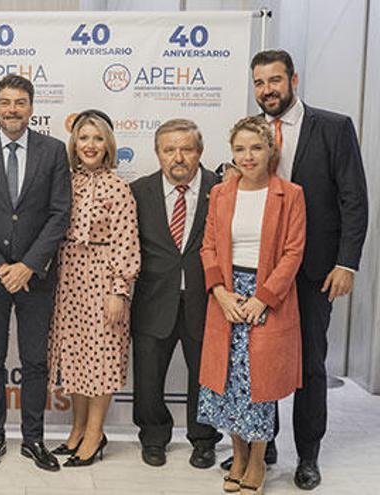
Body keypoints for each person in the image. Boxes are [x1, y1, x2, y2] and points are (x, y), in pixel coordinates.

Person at [217, 50, 369, 490]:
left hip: (315, 271)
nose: (267, 90)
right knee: (256, 364)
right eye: (260, 83)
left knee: (308, 365)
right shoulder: (252, 135)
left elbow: (353, 200)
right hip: (259, 274)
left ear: (293, 79)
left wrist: (346, 262)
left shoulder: (334, 127)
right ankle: (265, 445)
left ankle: (308, 456)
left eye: (275, 80)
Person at [0, 74, 71, 472]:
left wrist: (27, 266)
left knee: (36, 360)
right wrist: (1, 266)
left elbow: (59, 214)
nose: (12, 109)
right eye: (6, 102)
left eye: (20, 102)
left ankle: (34, 439)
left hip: (35, 277)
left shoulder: (53, 151)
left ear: (32, 107)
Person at [198, 116, 306, 494]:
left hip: (267, 297)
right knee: (227, 383)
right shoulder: (221, 193)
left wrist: (263, 298)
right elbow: (208, 246)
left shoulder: (290, 194)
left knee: (259, 386)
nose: (248, 156)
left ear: (270, 151)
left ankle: (257, 460)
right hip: (227, 296)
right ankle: (238, 455)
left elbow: (293, 253)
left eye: (255, 148)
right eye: (240, 149)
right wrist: (220, 293)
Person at [47, 110, 139, 467]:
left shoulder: (118, 186)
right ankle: (78, 428)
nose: (90, 145)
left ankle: (95, 433)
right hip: (69, 279)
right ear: (74, 143)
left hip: (103, 279)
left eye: (97, 138)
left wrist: (119, 290)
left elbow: (127, 242)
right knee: (75, 357)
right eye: (83, 138)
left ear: (108, 145)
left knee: (101, 358)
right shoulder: (65, 182)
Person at [129, 119, 222, 469]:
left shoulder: (222, 188)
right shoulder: (138, 191)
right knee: (149, 376)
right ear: (157, 153)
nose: (178, 157)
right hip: (153, 299)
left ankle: (203, 439)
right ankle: (153, 437)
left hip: (207, 299)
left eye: (186, 148)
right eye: (169, 150)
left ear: (199, 152)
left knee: (205, 375)